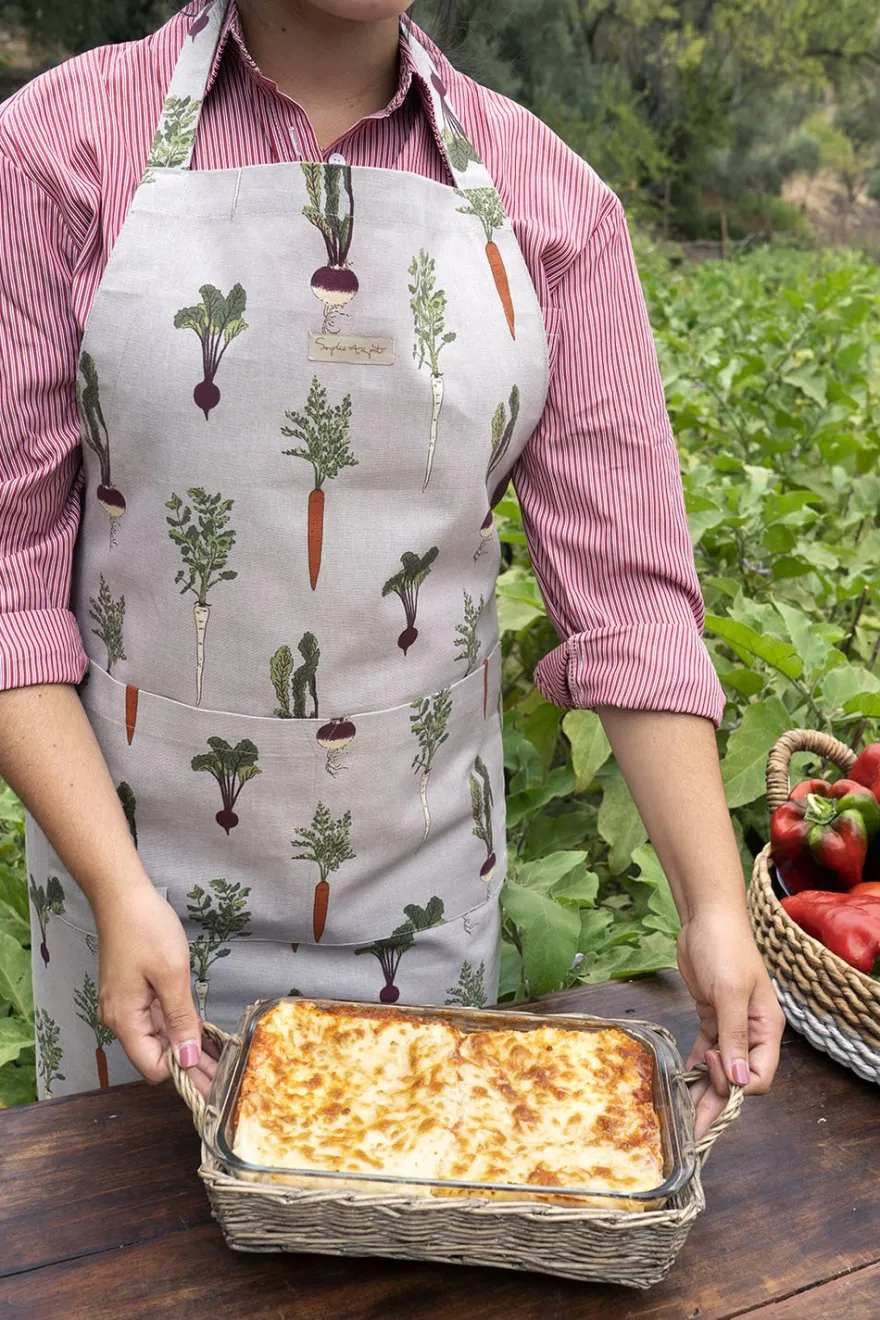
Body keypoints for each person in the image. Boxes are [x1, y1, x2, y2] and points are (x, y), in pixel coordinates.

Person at [0, 0, 783, 1133]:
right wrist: (119, 891)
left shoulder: (553, 202)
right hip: (128, 917)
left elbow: (629, 602)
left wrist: (713, 905)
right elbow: (9, 588)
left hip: (416, 923)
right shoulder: (57, 151)